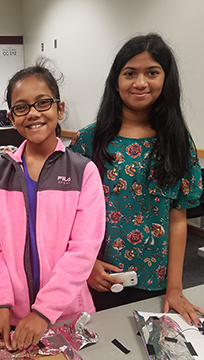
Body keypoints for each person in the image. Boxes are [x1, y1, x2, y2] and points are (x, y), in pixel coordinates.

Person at [69, 33, 204, 327]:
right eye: (130, 73)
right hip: (98, 275)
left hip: (156, 278)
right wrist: (86, 264)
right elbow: (70, 214)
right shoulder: (89, 139)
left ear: (165, 80)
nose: (140, 83)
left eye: (152, 73)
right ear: (116, 81)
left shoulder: (178, 141)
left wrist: (176, 288)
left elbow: (178, 218)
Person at [0, 60, 106, 351]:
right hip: (12, 316)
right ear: (11, 117)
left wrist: (43, 311)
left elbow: (83, 249)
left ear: (60, 109)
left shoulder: (83, 171)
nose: (33, 113)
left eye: (43, 103)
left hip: (67, 314)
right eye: (21, 107)